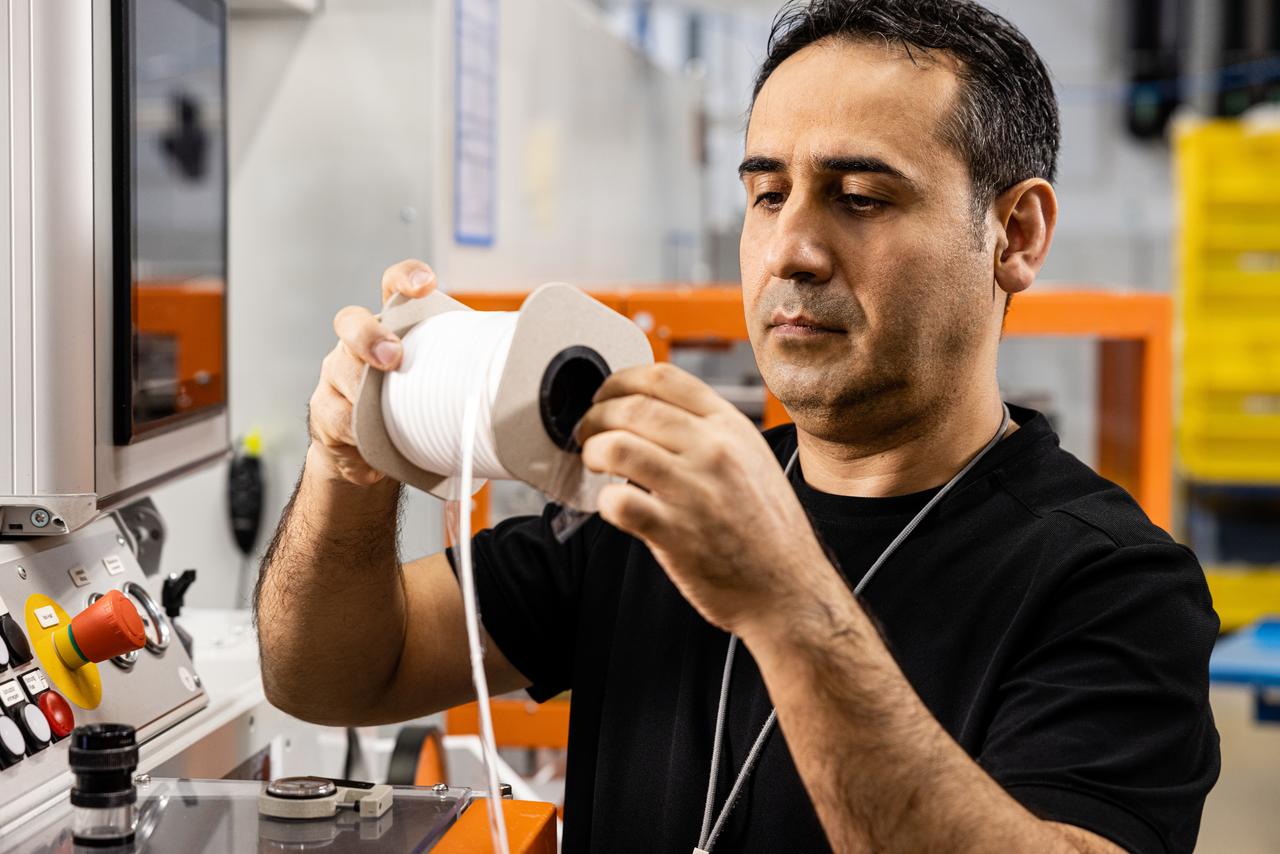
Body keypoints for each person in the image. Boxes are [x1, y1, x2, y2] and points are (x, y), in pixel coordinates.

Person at [254, 1, 1220, 851]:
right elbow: (331, 675)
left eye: (861, 197)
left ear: (1015, 235)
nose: (791, 249)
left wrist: (787, 605)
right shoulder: (645, 505)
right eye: (767, 194)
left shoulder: (1113, 586)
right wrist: (349, 464)